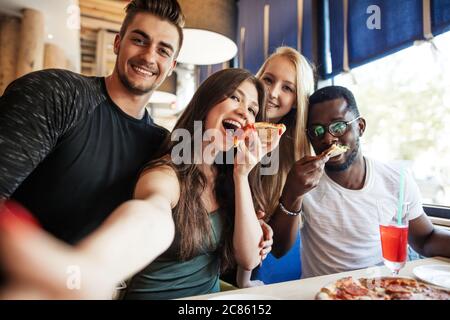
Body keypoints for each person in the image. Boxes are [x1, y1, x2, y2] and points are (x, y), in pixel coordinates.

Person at [0, 68, 280, 299]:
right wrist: (92, 269)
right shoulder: (168, 170)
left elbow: (249, 260)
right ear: (207, 103)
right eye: (234, 97)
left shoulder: (232, 177)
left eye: (253, 110)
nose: (245, 113)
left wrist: (242, 175)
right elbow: (152, 211)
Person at [0, 0, 184, 244]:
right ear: (118, 43)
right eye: (139, 40)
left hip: (91, 279)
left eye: (163, 50)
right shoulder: (57, 93)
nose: (149, 56)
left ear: (171, 66)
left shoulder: (160, 144)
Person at [270, 85, 450, 278]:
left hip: (380, 289)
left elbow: (425, 239)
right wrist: (292, 193)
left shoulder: (397, 180)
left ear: (360, 127)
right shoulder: (304, 181)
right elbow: (278, 250)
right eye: (317, 130)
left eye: (338, 126)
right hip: (322, 292)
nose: (328, 138)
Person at [235, 47, 315, 288]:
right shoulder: (229, 130)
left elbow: (278, 248)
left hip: (247, 267)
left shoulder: (292, 154)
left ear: (296, 102)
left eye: (287, 88)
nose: (272, 92)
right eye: (268, 80)